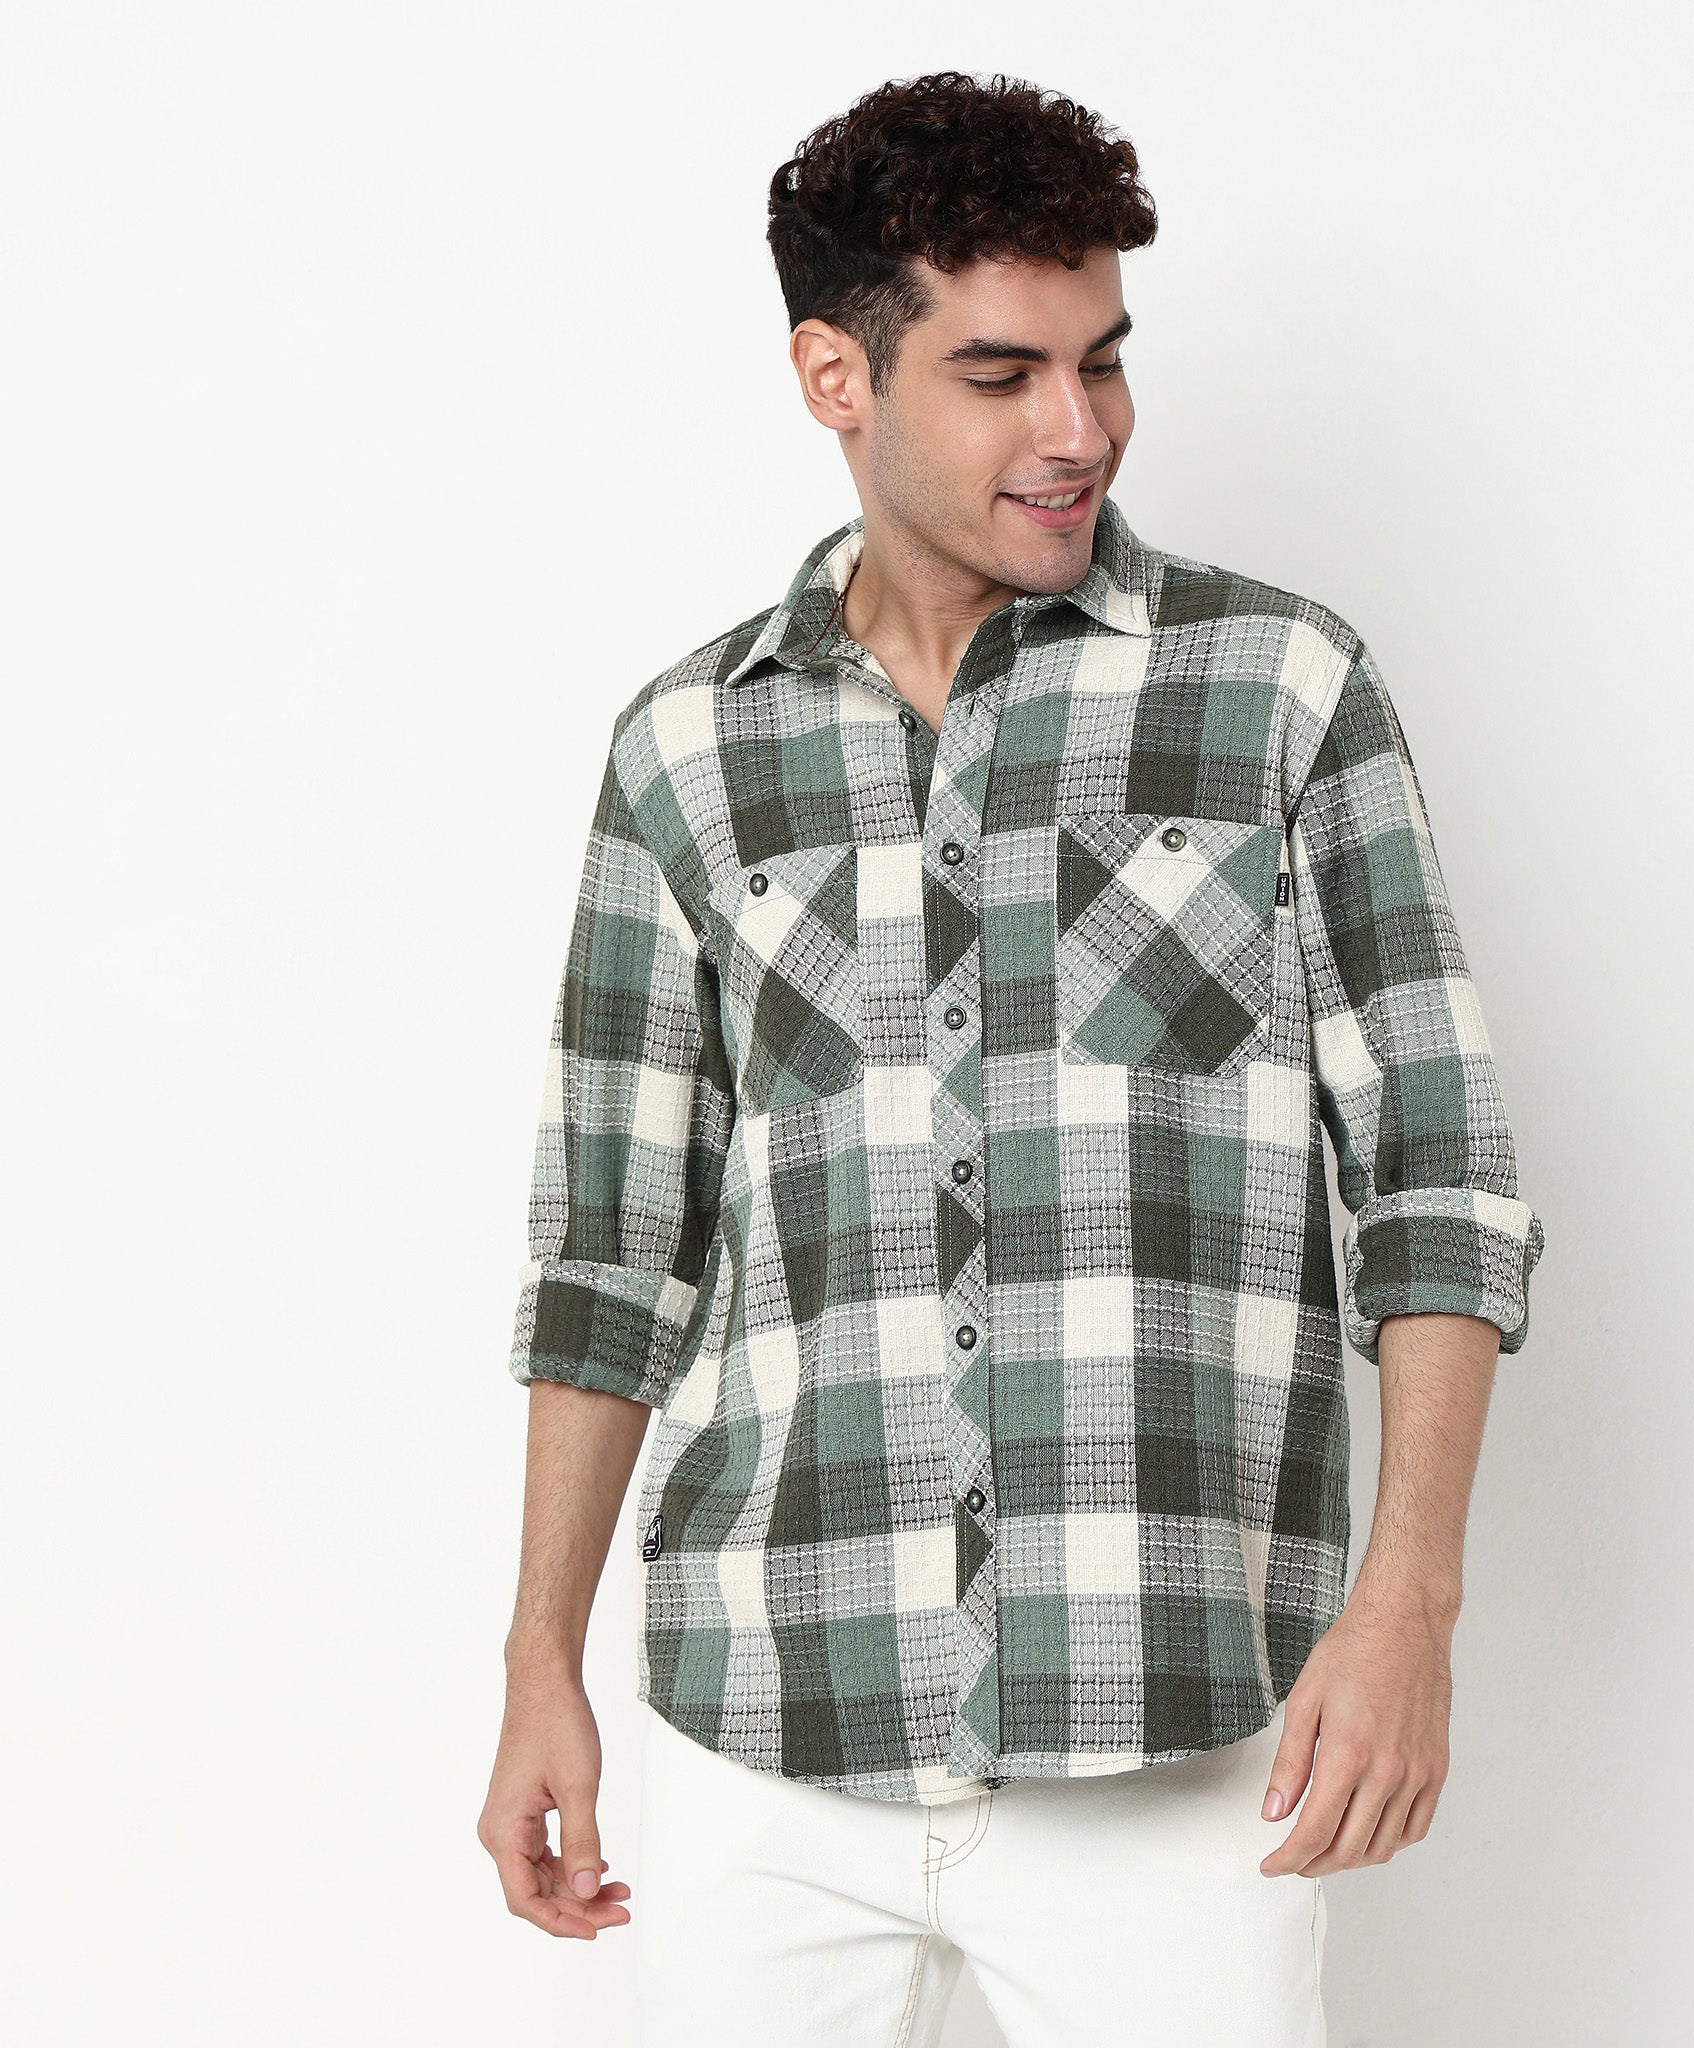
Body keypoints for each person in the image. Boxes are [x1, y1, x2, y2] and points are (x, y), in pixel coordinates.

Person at [477, 68, 1545, 2048]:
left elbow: (1438, 1186)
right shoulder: (686, 751)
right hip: (764, 1725)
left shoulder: (1278, 692)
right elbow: (611, 1254)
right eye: (1002, 375)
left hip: (1172, 1728)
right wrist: (540, 1655)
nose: (1081, 429)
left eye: (1103, 360)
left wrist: (1409, 1605)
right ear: (837, 375)